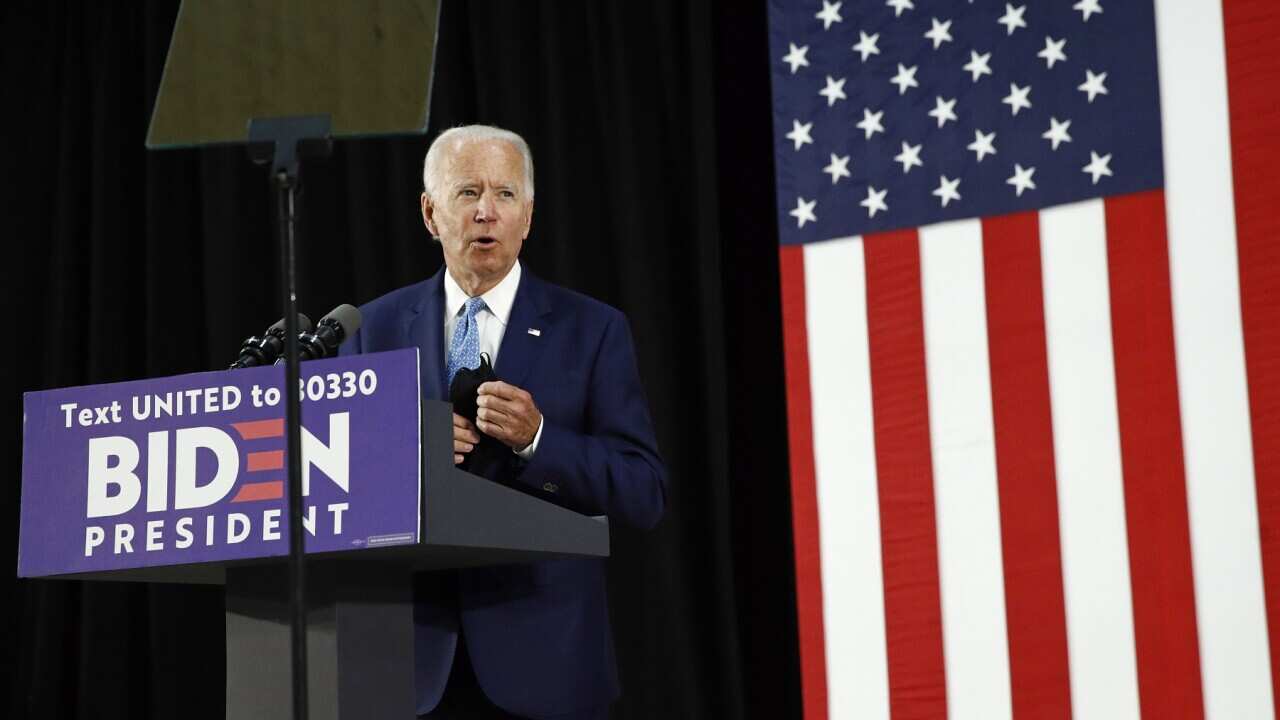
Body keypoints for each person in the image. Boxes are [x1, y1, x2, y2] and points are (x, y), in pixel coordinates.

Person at [339, 125, 667, 719]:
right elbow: (334, 484)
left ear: (529, 216)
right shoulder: (370, 330)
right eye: (468, 192)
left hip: (543, 664)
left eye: (505, 195)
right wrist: (402, 458)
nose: (487, 211)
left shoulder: (592, 331)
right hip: (404, 666)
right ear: (430, 213)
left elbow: (643, 492)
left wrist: (538, 440)